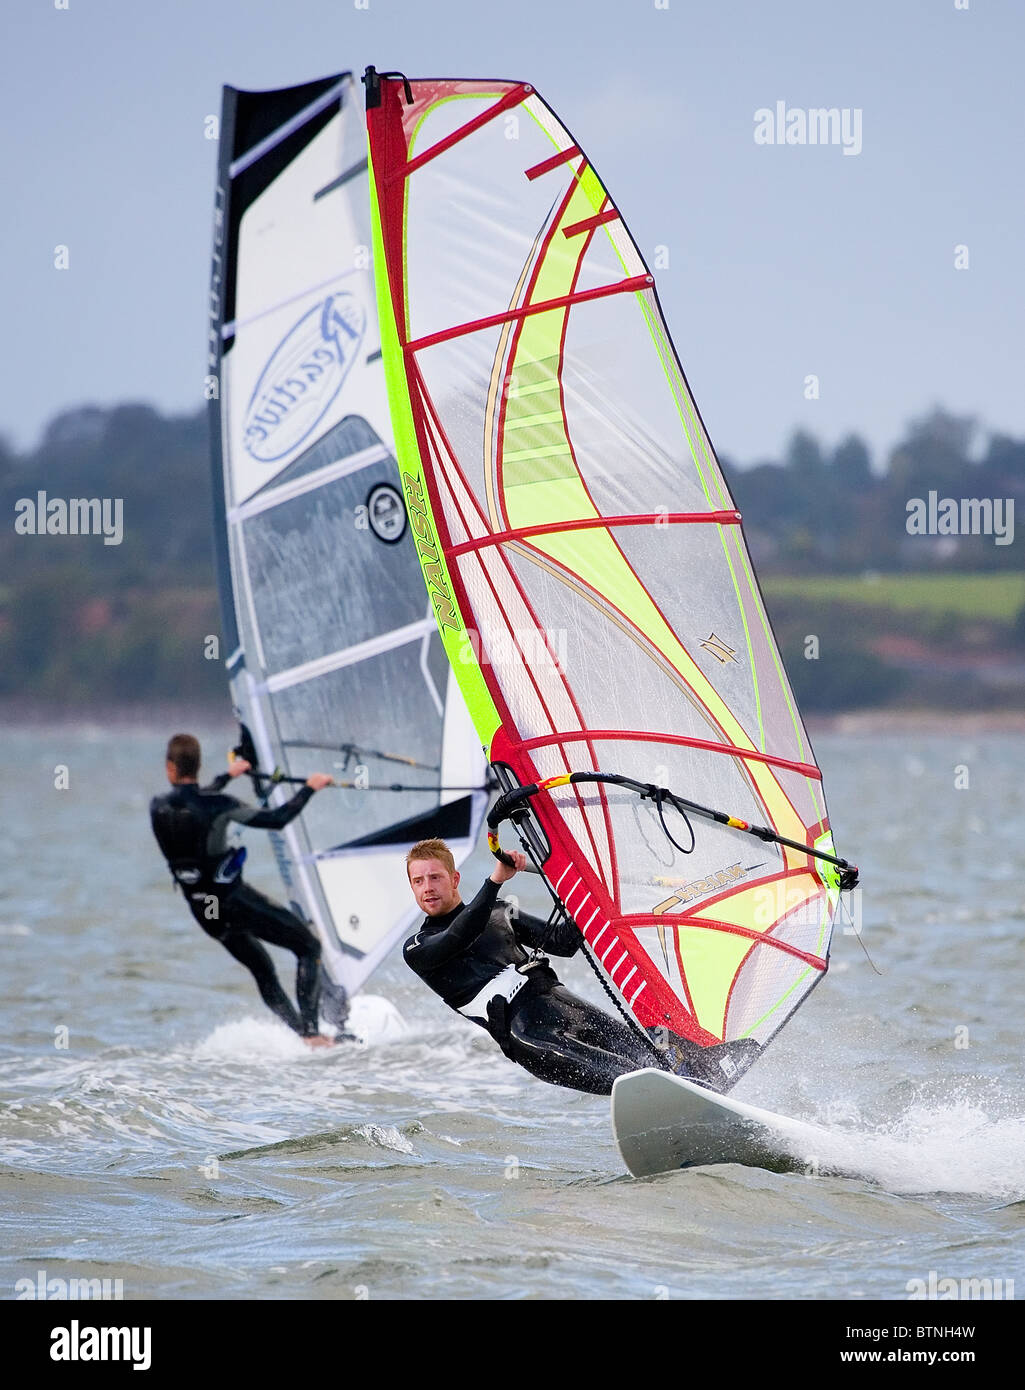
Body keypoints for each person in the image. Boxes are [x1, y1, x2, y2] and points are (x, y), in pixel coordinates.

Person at [402, 838, 662, 1095]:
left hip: (567, 1006)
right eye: (418, 881)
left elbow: (563, 942)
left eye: (435, 877)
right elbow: (459, 935)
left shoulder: (501, 911)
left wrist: (594, 893)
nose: (427, 887)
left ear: (455, 879)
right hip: (530, 1035)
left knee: (656, 1060)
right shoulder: (418, 948)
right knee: (632, 1079)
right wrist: (495, 881)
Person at [150, 733, 335, 1047]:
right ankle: (313, 1033)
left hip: (204, 913)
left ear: (169, 767)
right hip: (234, 902)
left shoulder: (158, 807)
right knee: (308, 947)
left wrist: (227, 776)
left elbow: (192, 800)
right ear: (198, 764)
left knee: (262, 969)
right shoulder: (219, 805)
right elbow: (276, 819)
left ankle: (302, 1037)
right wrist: (310, 787)